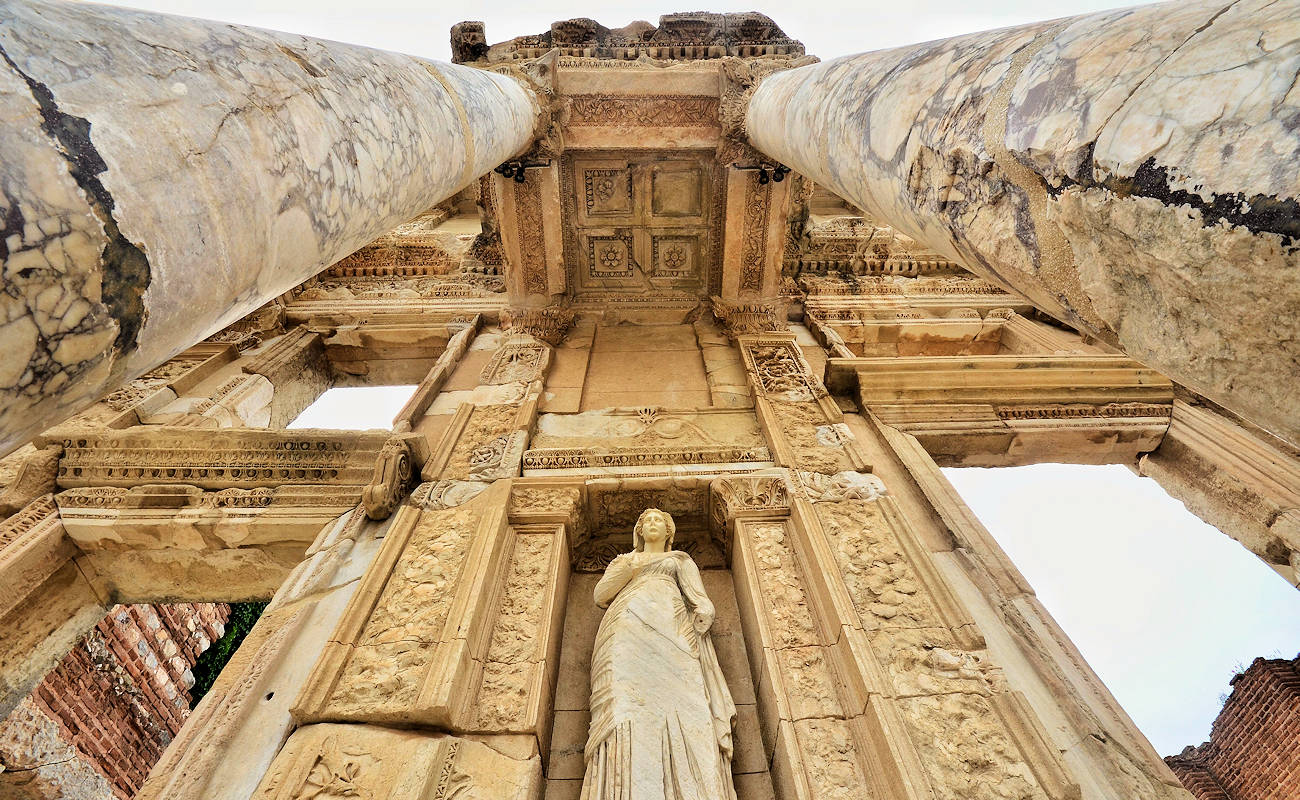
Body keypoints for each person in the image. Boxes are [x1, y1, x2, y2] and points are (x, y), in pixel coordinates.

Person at [581, 508, 737, 800]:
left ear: (669, 532)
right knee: (623, 704)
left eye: (658, 521)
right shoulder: (626, 561)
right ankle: (623, 788)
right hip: (625, 632)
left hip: (673, 631)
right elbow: (601, 595)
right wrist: (628, 568)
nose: (652, 524)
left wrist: (704, 614)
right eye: (647, 521)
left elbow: (700, 601)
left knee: (687, 702)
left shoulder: (679, 561)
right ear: (639, 531)